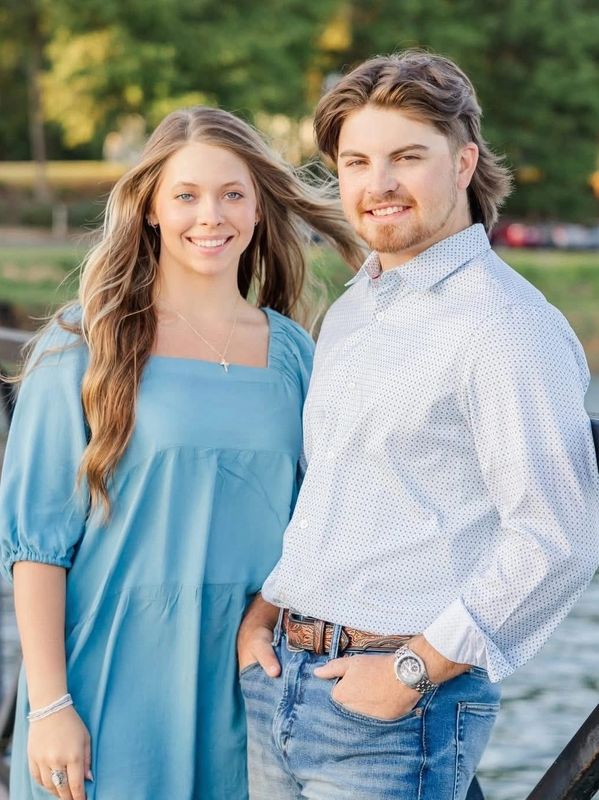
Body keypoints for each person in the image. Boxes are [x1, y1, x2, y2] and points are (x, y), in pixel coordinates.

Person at [237, 51, 599, 800]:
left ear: (462, 160)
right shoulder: (353, 308)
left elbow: (557, 538)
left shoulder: (505, 327)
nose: (379, 185)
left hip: (395, 715)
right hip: (282, 684)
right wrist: (269, 610)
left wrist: (411, 673)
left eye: (407, 156)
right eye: (357, 161)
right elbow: (336, 490)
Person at [0, 106, 362, 800]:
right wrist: (48, 707)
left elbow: (321, 519)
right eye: (187, 195)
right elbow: (37, 548)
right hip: (109, 678)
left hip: (250, 684)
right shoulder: (83, 347)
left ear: (258, 208)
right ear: (151, 211)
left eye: (232, 194)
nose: (211, 215)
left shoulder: (293, 356)